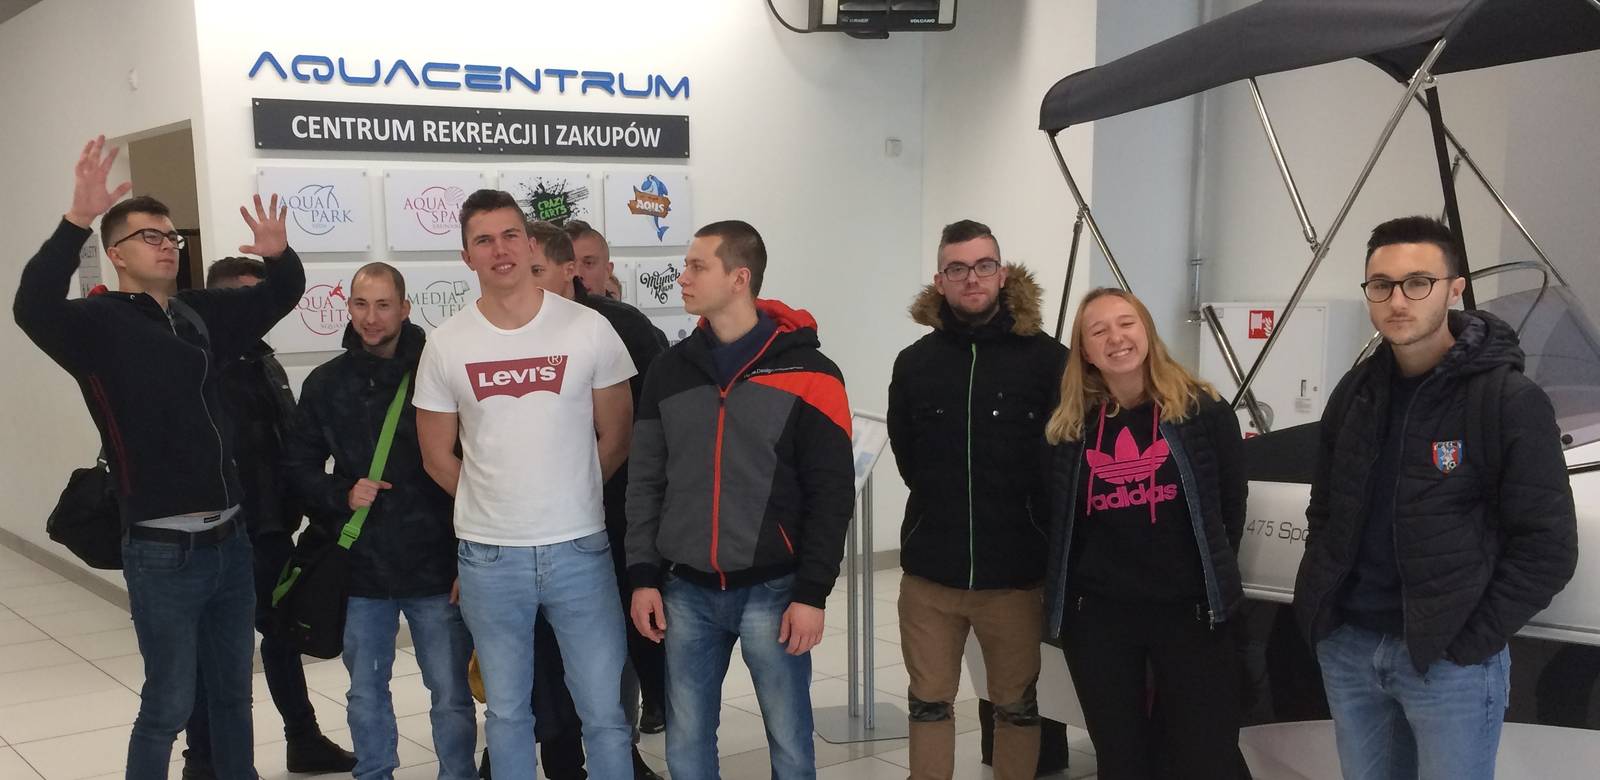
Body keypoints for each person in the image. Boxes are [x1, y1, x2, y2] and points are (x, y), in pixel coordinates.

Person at [12, 136, 304, 779]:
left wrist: (278, 255)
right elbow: (30, 307)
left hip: (230, 541)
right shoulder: (97, 324)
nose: (168, 244)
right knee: (168, 702)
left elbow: (278, 296)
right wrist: (76, 219)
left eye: (171, 235)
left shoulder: (199, 314)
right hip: (163, 548)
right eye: (150, 236)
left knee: (232, 695)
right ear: (116, 253)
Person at [1293, 216, 1578, 780]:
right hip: (1352, 648)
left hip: (1449, 663)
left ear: (1454, 289)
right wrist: (1325, 618)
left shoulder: (1506, 401)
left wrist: (1470, 641)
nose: (1398, 301)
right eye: (1382, 285)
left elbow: (1548, 546)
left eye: (1418, 282)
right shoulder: (1356, 393)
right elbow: (1325, 509)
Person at [414, 189, 636, 779]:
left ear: (530, 243)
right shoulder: (446, 342)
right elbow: (436, 455)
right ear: (467, 257)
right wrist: (494, 501)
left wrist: (571, 490)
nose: (500, 249)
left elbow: (617, 436)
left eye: (510, 235)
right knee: (509, 714)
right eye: (484, 240)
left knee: (604, 713)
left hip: (580, 550)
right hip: (490, 557)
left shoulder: (588, 329)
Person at [626, 220, 855, 778]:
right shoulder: (669, 371)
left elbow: (831, 494)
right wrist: (643, 575)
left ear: (739, 278)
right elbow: (645, 479)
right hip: (685, 590)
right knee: (686, 743)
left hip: (773, 591)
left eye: (697, 266)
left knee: (790, 742)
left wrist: (813, 593)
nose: (682, 278)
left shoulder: (813, 374)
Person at [1042, 287, 1249, 779]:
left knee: (1205, 755)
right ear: (1085, 352)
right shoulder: (1071, 426)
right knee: (1121, 757)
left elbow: (1229, 508)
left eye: (1126, 323)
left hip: (1190, 614)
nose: (1116, 338)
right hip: (1101, 618)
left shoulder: (1203, 411)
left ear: (1147, 331)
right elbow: (1060, 520)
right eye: (1098, 331)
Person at [887, 220, 1067, 779]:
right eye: (958, 268)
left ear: (1002, 273)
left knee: (1016, 706)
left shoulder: (1049, 361)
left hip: (1014, 577)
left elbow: (1061, 463)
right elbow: (908, 457)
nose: (973, 278)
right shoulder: (914, 364)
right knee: (928, 702)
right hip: (930, 574)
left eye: (984, 265)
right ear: (939, 280)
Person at [283, 262, 476, 780]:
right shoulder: (326, 383)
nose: (371, 317)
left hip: (437, 563)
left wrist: (470, 557)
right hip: (361, 566)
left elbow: (476, 466)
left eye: (384, 305)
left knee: (450, 691)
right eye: (361, 304)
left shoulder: (439, 372)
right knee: (366, 689)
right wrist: (340, 493)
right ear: (348, 307)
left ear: (405, 308)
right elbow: (297, 466)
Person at [182, 258, 355, 778]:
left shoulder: (262, 360)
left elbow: (283, 445)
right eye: (247, 299)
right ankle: (204, 760)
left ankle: (302, 739)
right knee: (215, 653)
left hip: (272, 526)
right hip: (223, 531)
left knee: (281, 636)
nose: (260, 310)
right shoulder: (198, 366)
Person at [530, 220, 670, 777]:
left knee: (618, 647)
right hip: (537, 525)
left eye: (538, 269)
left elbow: (648, 428)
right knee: (550, 652)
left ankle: (624, 752)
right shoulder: (506, 329)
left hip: (615, 516)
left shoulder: (620, 326)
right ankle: (565, 759)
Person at [564, 219, 618, 305]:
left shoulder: (626, 314)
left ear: (607, 271)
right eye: (570, 265)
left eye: (588, 263)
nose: (577, 274)